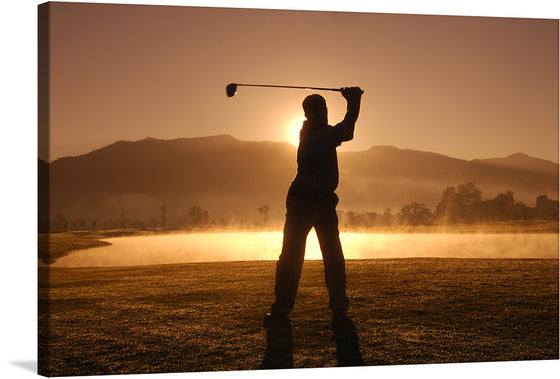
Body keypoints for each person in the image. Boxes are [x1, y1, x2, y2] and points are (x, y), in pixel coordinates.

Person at [264, 87, 363, 326]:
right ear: (308, 115)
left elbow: (345, 131)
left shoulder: (320, 132)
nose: (323, 116)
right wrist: (354, 100)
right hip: (302, 204)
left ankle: (339, 308)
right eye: (318, 113)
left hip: (324, 203)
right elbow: (347, 129)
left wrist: (352, 102)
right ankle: (281, 310)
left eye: (324, 111)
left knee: (334, 257)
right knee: (291, 257)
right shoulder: (316, 137)